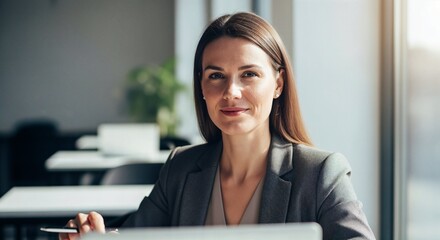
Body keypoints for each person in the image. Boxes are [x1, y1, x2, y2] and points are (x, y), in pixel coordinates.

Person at [60, 12, 376, 240]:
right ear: (201, 86)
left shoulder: (320, 173)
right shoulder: (180, 169)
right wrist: (95, 237)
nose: (231, 92)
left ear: (278, 84)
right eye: (216, 76)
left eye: (249, 74)